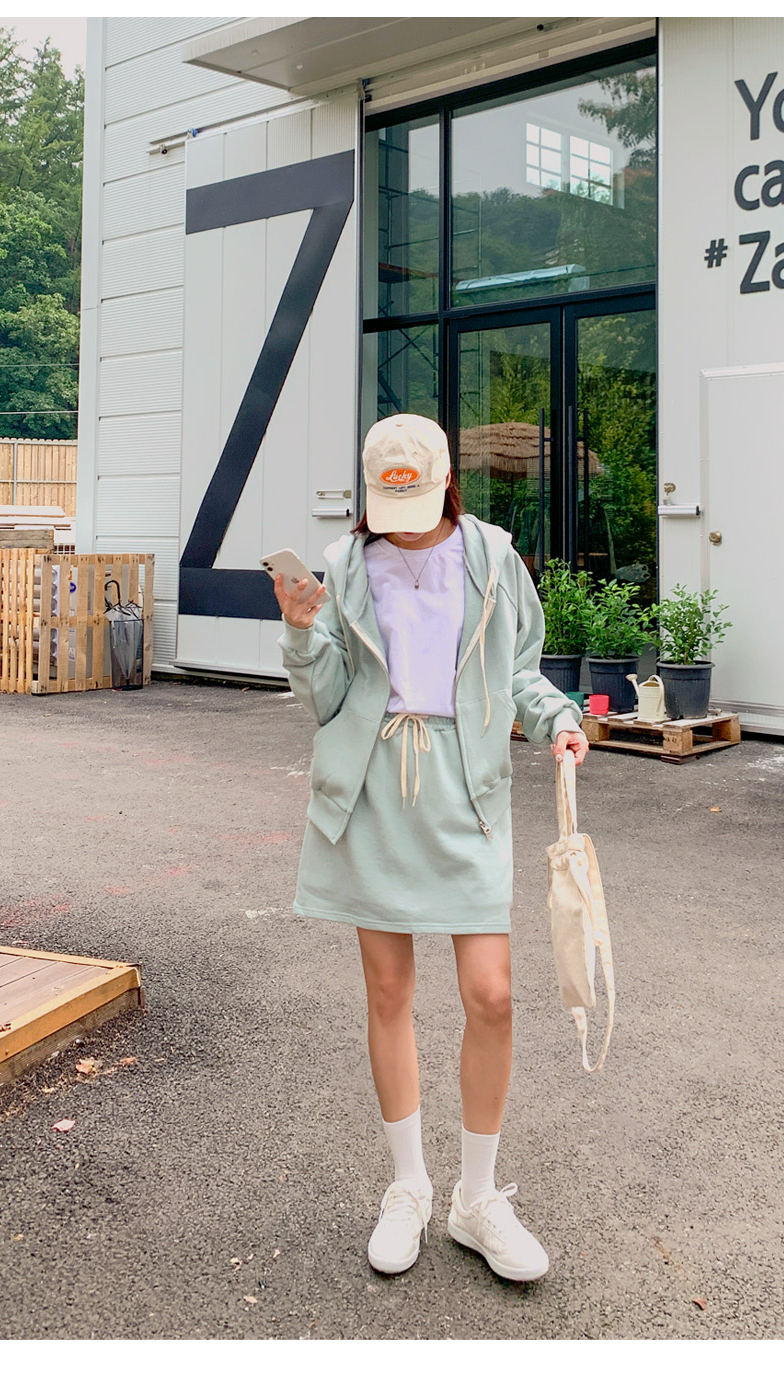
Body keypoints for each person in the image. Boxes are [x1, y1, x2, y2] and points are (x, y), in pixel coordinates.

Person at [274, 414, 589, 1284]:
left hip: (465, 791)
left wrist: (559, 720)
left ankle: (476, 1199)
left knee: (492, 994)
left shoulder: (492, 557)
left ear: (448, 482)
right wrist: (301, 633)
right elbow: (327, 698)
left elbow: (518, 672)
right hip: (374, 789)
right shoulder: (345, 563)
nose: (402, 526)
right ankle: (408, 1186)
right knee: (389, 992)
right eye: (388, 508)